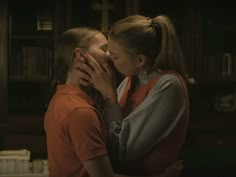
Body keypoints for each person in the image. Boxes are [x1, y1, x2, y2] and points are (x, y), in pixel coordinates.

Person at [44, 27, 183, 177]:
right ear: (81, 55)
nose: (110, 57)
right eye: (105, 49)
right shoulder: (80, 111)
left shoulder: (61, 98)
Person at [77, 15, 191, 176]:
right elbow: (106, 137)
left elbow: (122, 153)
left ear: (140, 60)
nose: (109, 58)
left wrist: (109, 94)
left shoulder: (169, 85)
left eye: (115, 56)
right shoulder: (132, 79)